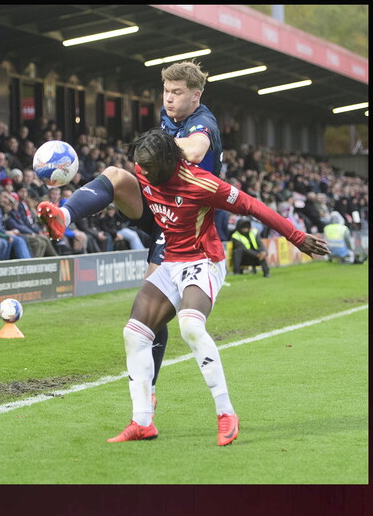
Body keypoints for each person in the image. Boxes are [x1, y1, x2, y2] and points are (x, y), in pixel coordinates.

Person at [105, 129, 330, 445]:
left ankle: (226, 414)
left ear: (170, 161)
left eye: (153, 169)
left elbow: (252, 206)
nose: (147, 175)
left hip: (203, 260)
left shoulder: (202, 184)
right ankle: (142, 421)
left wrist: (296, 237)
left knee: (191, 326)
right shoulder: (146, 167)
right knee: (135, 332)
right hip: (170, 261)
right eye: (144, 168)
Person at [37, 60, 224, 410]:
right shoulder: (171, 115)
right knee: (116, 176)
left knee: (154, 311)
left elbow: (197, 149)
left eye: (177, 93)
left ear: (196, 95)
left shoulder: (203, 122)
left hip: (183, 223)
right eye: (166, 91)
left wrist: (159, 152)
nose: (168, 99)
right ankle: (63, 215)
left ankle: (149, 390)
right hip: (157, 205)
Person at [1, 192, 57, 257]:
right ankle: (34, 262)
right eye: (9, 204)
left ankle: (53, 257)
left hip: (24, 232)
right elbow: (16, 226)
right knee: (38, 242)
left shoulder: (15, 213)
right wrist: (31, 232)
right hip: (20, 233)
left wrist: (34, 232)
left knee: (44, 239)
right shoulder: (9, 214)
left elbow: (24, 224)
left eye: (16, 202)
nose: (15, 205)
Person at [0, 194, 32, 259]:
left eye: (10, 205)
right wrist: (6, 234)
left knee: (20, 239)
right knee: (10, 241)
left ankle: (27, 259)